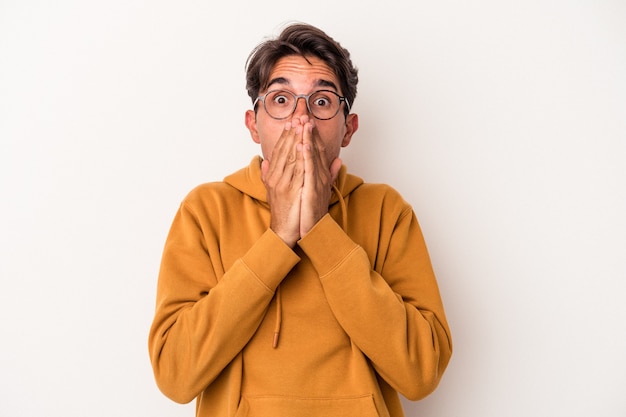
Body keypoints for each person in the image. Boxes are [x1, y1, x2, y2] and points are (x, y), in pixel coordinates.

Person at [148, 22, 452, 417]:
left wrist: (321, 232)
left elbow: (421, 374)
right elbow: (175, 375)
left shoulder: (386, 212)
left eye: (322, 101)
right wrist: (278, 238)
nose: (302, 120)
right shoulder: (206, 210)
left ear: (349, 128)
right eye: (281, 99)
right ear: (253, 124)